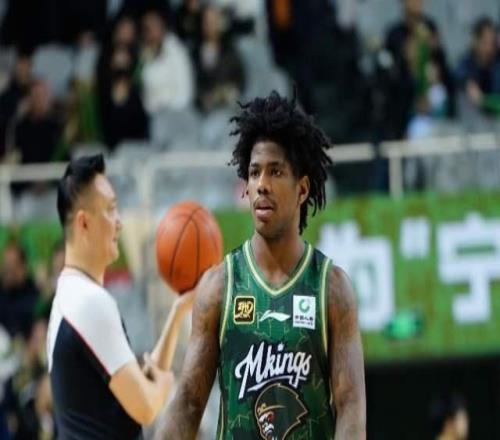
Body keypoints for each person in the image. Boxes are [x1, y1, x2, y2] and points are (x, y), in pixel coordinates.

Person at [157, 91, 366, 439]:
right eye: (254, 173)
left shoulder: (331, 288)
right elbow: (189, 402)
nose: (262, 185)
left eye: (275, 171)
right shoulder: (220, 286)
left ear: (302, 189)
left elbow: (351, 405)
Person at [47, 154, 192, 439]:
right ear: (84, 223)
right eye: (111, 209)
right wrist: (165, 384)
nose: (119, 222)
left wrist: (177, 313)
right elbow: (146, 407)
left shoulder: (71, 295)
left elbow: (134, 386)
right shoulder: (90, 302)